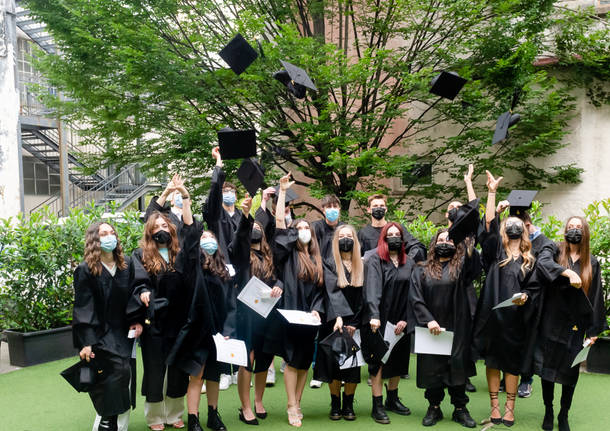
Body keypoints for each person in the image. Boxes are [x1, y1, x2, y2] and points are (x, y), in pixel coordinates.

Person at [472, 171, 539, 427]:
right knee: (492, 362)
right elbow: (488, 225)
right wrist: (491, 193)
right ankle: (495, 407)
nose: (513, 226)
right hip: (493, 319)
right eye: (509, 223)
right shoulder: (494, 252)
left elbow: (535, 289)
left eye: (518, 224)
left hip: (516, 321)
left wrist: (527, 296)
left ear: (524, 230)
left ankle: (510, 408)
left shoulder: (529, 261)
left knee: (511, 365)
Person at [165, 185, 232, 431]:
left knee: (214, 375)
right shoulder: (192, 265)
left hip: (219, 331)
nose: (208, 241)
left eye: (211, 239)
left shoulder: (224, 271)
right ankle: (193, 418)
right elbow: (191, 231)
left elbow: (231, 304)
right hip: (197, 330)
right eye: (203, 238)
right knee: (197, 374)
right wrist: (186, 198)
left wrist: (228, 329)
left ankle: (213, 414)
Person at [129, 174, 192, 430]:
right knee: (155, 370)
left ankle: (174, 413)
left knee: (177, 369)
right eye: (156, 229)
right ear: (150, 231)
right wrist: (143, 291)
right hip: (154, 320)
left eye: (165, 227)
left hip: (180, 320)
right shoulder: (141, 254)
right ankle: (155, 416)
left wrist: (183, 193)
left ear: (171, 228)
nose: (161, 231)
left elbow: (191, 227)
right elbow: (138, 280)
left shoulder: (182, 252)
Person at [534, 216, 607, 431]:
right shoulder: (555, 252)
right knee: (547, 370)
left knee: (570, 372)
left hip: (576, 325)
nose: (574, 230)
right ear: (565, 230)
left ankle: (563, 414)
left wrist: (593, 331)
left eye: (578, 227)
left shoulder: (591, 262)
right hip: (551, 320)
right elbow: (542, 265)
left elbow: (595, 297)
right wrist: (565, 271)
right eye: (570, 227)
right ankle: (548, 410)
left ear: (585, 232)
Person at [267, 172, 324, 427]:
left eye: (306, 228)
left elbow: (322, 290)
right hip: (290, 315)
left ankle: (298, 402)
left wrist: (317, 311)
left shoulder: (316, 260)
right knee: (291, 360)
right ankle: (291, 404)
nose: (302, 231)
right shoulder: (287, 254)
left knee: (304, 362)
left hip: (309, 318)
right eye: (298, 228)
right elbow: (280, 223)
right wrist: (281, 193)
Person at [408, 229, 482, 428]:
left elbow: (475, 267)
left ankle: (460, 409)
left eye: (449, 240)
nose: (445, 243)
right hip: (431, 329)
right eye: (440, 240)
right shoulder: (421, 269)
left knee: (457, 368)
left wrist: (468, 246)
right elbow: (416, 298)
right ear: (434, 244)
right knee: (433, 369)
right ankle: (434, 407)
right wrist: (428, 320)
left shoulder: (461, 267)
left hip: (457, 327)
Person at [73, 221, 142, 431]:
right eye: (104, 233)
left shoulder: (127, 265)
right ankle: (107, 421)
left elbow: (135, 294)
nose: (110, 236)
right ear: (95, 239)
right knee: (109, 377)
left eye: (112, 233)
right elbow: (83, 306)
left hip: (123, 331)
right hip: (98, 332)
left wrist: (137, 320)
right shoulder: (85, 270)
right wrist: (86, 342)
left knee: (123, 375)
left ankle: (112, 422)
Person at [231, 211, 284, 424]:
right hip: (246, 314)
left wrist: (279, 286)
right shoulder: (241, 256)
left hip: (268, 313)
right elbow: (238, 240)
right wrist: (246, 216)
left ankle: (258, 400)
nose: (255, 230)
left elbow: (280, 278)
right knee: (248, 358)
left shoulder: (269, 255)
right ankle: (245, 406)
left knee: (265, 357)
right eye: (251, 228)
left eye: (258, 229)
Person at [363, 222, 415, 424]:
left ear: (402, 239)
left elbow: (413, 294)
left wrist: (406, 319)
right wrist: (374, 315)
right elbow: (372, 289)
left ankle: (393, 399)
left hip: (401, 320)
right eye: (390, 234)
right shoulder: (375, 259)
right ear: (383, 238)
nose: (394, 237)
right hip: (380, 319)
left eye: (397, 234)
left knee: (399, 361)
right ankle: (377, 404)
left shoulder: (408, 262)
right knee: (379, 363)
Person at [313, 224, 364, 421]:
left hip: (354, 323)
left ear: (355, 240)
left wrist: (356, 323)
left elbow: (366, 297)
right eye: (341, 236)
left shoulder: (363, 264)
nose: (345, 239)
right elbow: (329, 293)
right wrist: (338, 317)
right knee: (333, 365)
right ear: (335, 241)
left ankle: (349, 404)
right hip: (333, 320)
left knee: (352, 366)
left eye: (349, 236)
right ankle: (335, 403)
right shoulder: (328, 263)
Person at [202, 146, 241, 389]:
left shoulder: (241, 217)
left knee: (236, 316)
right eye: (225, 191)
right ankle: (221, 369)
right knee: (218, 316)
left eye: (231, 191)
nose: (228, 194)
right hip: (218, 271)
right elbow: (214, 199)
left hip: (240, 274)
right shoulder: (216, 219)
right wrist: (218, 166)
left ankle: (235, 366)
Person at [357, 194, 426, 262]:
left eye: (382, 206)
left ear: (386, 209)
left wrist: (407, 261)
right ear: (369, 210)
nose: (378, 208)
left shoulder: (396, 229)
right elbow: (356, 256)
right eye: (375, 206)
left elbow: (416, 247)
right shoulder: (363, 233)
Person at [311, 194, 345, 260]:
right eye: (329, 207)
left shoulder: (344, 229)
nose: (332, 209)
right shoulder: (315, 227)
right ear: (323, 210)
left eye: (335, 206)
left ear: (339, 209)